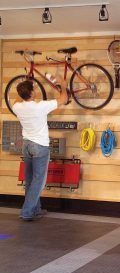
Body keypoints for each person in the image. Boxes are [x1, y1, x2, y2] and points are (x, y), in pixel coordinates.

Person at [13, 79, 69, 221]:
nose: (35, 90)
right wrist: (63, 86)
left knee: (30, 180)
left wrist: (23, 89)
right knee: (38, 181)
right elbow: (64, 99)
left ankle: (36, 209)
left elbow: (16, 100)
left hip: (26, 146)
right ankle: (26, 212)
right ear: (31, 92)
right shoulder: (40, 106)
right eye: (34, 88)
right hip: (39, 147)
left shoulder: (17, 107)